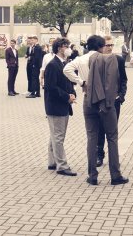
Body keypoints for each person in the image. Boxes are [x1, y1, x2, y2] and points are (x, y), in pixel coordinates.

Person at [84, 48, 129, 186]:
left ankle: (92, 176)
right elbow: (111, 84)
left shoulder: (88, 59)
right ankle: (115, 175)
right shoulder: (112, 60)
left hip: (89, 101)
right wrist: (110, 102)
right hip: (106, 104)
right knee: (112, 138)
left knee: (91, 138)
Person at [44, 37, 77, 176]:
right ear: (59, 48)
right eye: (66, 46)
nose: (69, 49)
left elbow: (69, 82)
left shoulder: (65, 63)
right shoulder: (53, 65)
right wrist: (67, 96)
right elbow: (51, 87)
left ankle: (52, 162)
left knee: (55, 135)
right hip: (55, 105)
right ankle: (62, 166)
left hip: (63, 104)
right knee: (58, 137)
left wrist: (73, 93)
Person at [96, 35, 128, 167]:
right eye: (107, 45)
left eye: (111, 45)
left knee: (112, 130)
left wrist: (121, 96)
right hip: (99, 100)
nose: (109, 48)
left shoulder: (118, 60)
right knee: (99, 129)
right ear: (101, 46)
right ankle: (99, 155)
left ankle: (113, 158)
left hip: (114, 101)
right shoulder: (96, 59)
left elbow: (124, 79)